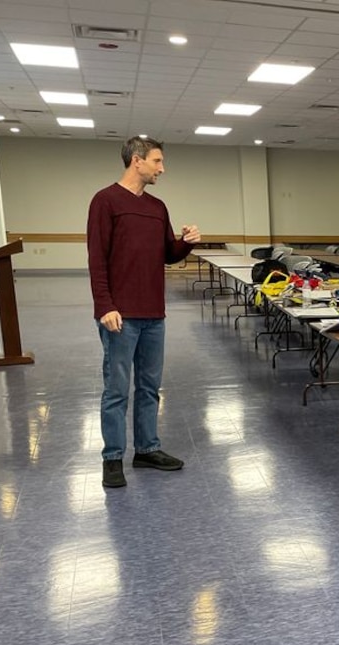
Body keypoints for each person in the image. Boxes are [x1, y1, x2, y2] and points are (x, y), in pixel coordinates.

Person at [88, 136, 201, 489]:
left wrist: (186, 243)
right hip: (120, 315)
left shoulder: (157, 207)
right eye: (157, 161)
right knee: (117, 389)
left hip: (154, 313)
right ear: (136, 161)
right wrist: (105, 305)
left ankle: (147, 449)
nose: (161, 168)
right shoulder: (105, 201)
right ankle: (112, 458)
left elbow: (167, 253)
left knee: (150, 387)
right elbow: (97, 260)